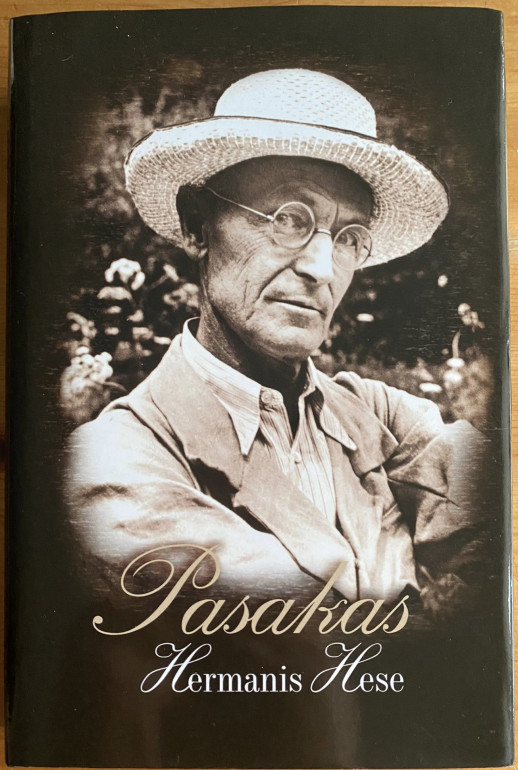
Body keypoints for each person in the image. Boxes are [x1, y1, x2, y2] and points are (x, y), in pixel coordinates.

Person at [67, 68, 486, 605]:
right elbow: (289, 630)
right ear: (197, 224)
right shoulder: (117, 458)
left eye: (348, 238)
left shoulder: (371, 413)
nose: (321, 269)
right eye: (288, 219)